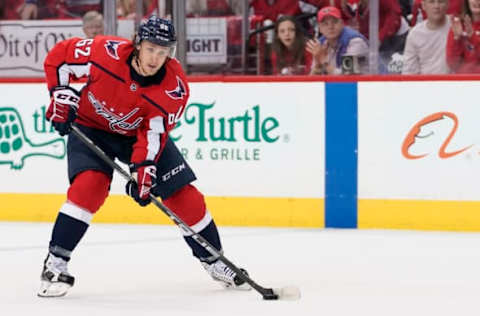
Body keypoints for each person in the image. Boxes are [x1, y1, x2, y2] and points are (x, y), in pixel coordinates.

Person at [38, 16, 251, 298]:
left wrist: (143, 170)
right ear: (138, 44)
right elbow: (59, 57)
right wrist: (61, 94)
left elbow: (152, 134)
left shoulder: (173, 88)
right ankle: (55, 262)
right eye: (151, 49)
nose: (155, 58)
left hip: (137, 136)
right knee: (88, 187)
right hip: (92, 126)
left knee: (184, 196)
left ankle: (215, 261)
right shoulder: (105, 52)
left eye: (163, 52)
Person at [307, 6, 368, 75]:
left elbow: (346, 76)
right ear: (320, 28)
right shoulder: (321, 44)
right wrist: (318, 65)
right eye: (325, 24)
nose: (330, 27)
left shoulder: (355, 42)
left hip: (364, 84)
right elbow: (312, 80)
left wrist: (324, 61)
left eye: (335, 22)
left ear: (342, 24)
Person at [402, 0, 451, 74]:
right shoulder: (415, 35)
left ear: (447, 4)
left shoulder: (456, 25)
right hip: (425, 83)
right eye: (431, 2)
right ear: (423, 5)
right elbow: (409, 72)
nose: (436, 6)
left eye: (440, 1)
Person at [446, 0, 480, 73]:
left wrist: (473, 38)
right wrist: (456, 40)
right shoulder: (458, 24)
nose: (477, 1)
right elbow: (452, 64)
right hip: (463, 81)